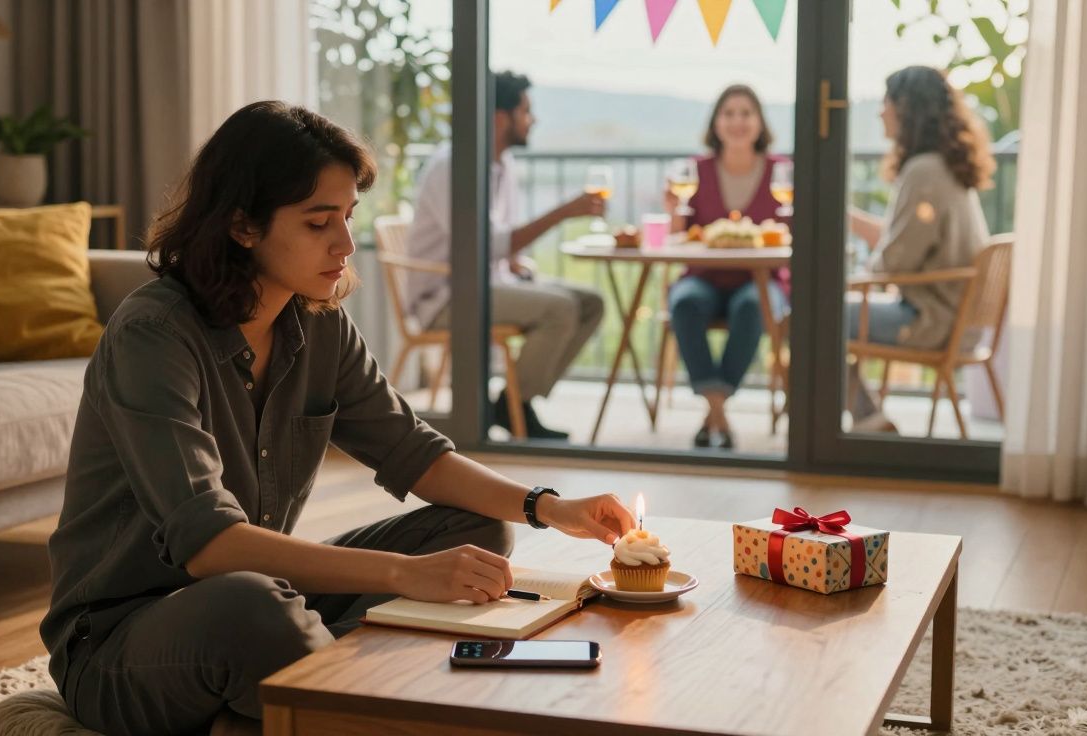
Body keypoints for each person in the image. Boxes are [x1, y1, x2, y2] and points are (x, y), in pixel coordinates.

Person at [40, 101, 635, 736]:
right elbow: (210, 545)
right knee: (255, 608)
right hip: (119, 642)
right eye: (320, 222)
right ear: (243, 225)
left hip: (265, 592)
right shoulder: (153, 335)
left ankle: (298, 696)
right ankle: (326, 691)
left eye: (349, 217)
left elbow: (413, 450)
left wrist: (549, 506)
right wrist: (406, 576)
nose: (347, 245)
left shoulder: (316, 321)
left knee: (475, 533)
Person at [405, 71, 605, 441]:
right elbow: (486, 244)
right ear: (501, 118)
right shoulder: (453, 165)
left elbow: (500, 245)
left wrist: (516, 265)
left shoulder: (502, 164)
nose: (534, 120)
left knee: (591, 303)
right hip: (446, 296)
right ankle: (514, 408)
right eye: (526, 111)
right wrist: (564, 212)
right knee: (559, 308)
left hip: (486, 282)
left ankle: (515, 403)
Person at [846, 65, 994, 431]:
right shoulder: (945, 167)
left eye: (887, 102)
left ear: (907, 108)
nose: (881, 111)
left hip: (932, 322)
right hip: (957, 318)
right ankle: (866, 413)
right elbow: (907, 240)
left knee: (813, 314)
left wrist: (862, 274)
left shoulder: (923, 172)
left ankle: (866, 416)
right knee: (828, 309)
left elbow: (893, 263)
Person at [663, 84, 790, 450]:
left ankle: (712, 415)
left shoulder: (782, 172)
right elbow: (680, 239)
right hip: (704, 278)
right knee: (683, 302)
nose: (737, 121)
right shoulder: (695, 170)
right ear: (716, 122)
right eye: (729, 113)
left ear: (759, 122)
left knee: (752, 306)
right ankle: (718, 411)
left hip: (763, 281)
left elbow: (792, 237)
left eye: (746, 113)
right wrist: (673, 212)